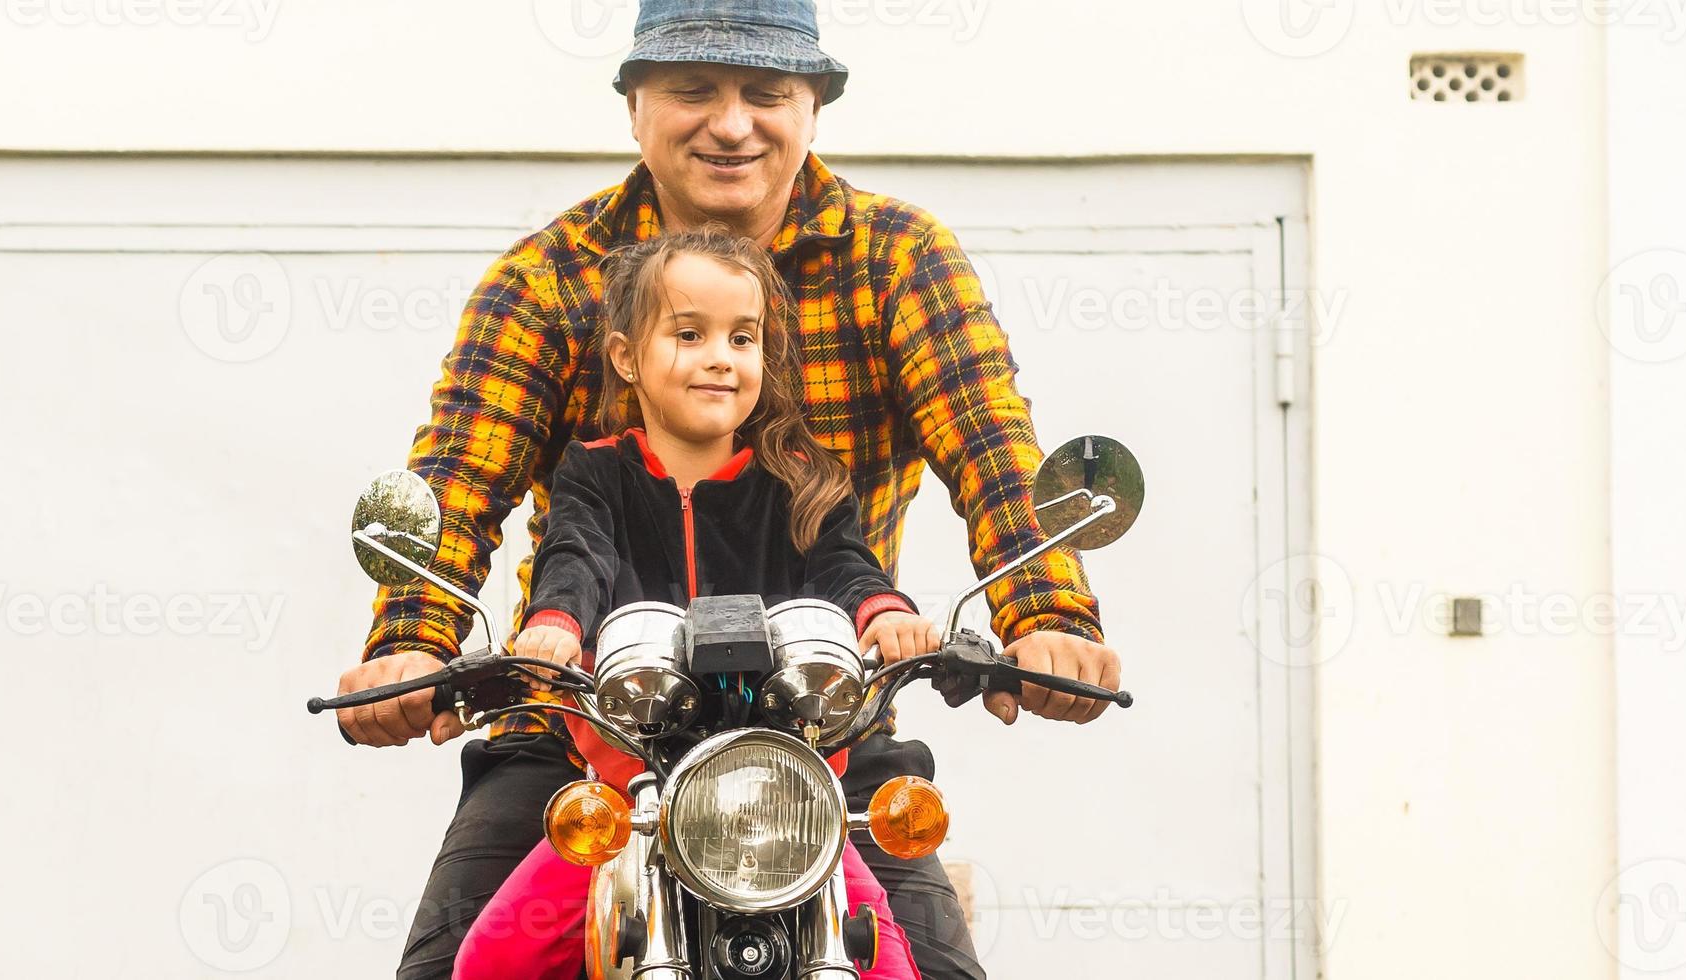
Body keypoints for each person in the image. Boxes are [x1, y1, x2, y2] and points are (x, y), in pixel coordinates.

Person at [333, 2, 1126, 978]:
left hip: (821, 728)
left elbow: (987, 438)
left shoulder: (897, 257)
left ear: (812, 108)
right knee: (451, 957)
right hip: (585, 730)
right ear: (634, 104)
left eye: (765, 91)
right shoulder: (544, 279)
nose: (731, 121)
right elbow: (459, 470)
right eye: (692, 88)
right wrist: (410, 640)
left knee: (935, 966)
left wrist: (1046, 615)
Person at [450, 225, 932, 980]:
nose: (719, 356)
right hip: (632, 783)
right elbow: (576, 555)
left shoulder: (797, 477)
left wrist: (885, 614)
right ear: (624, 357)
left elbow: (845, 563)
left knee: (889, 964)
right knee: (493, 958)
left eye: (743, 338)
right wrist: (552, 625)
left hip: (788, 790)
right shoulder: (596, 473)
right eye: (688, 333)